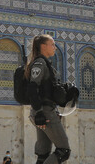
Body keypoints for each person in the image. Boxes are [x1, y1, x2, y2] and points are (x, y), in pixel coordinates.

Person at [26, 34, 71, 164]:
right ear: (43, 46)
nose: (55, 47)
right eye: (52, 44)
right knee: (63, 150)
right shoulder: (39, 63)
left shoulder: (45, 63)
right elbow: (33, 87)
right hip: (44, 112)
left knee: (43, 154)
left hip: (45, 111)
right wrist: (39, 112)